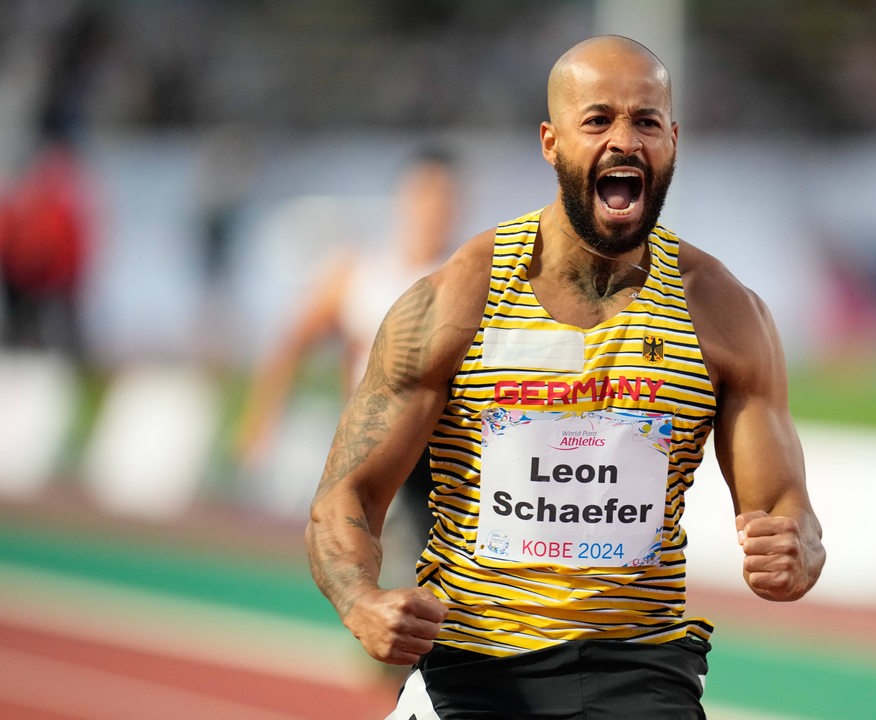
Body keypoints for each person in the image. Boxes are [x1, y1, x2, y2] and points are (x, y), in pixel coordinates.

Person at [305, 35, 825, 720]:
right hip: (476, 667)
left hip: (640, 673)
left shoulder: (723, 313)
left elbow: (788, 513)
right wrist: (360, 599)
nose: (624, 140)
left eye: (646, 122)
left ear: (673, 139)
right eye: (598, 119)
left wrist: (796, 554)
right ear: (550, 142)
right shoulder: (461, 298)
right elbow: (345, 496)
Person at [240, 147, 458, 587]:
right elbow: (291, 342)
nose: (434, 208)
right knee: (381, 575)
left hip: (440, 453)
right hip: (373, 448)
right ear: (403, 199)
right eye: (425, 194)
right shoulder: (359, 273)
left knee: (435, 578)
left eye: (445, 197)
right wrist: (262, 420)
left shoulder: (464, 275)